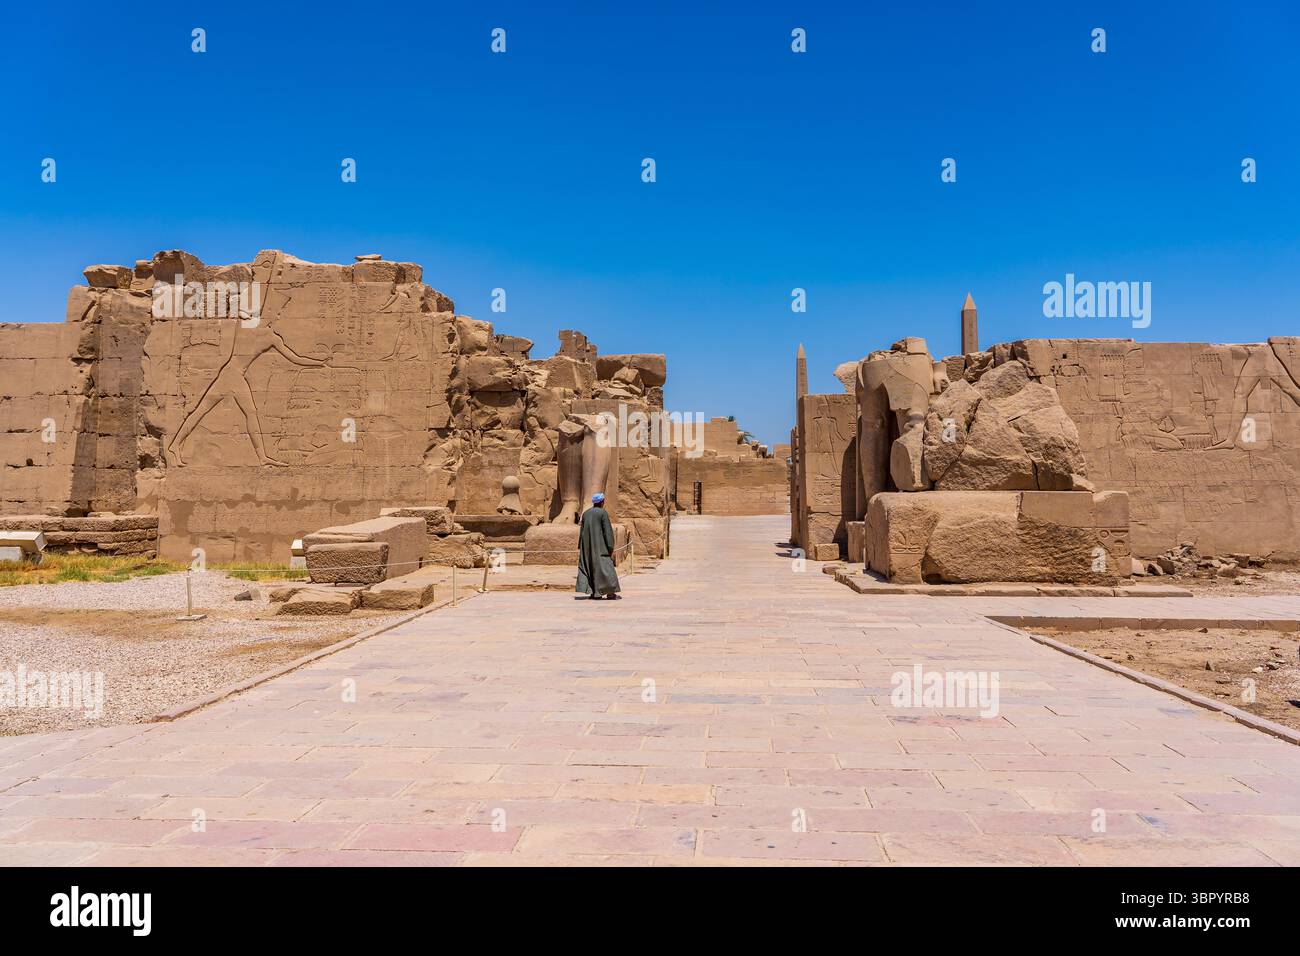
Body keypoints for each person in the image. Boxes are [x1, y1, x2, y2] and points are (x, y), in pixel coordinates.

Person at [576, 492, 621, 600]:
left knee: (590, 568)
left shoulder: (586, 514)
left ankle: (595, 592)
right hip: (601, 547)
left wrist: (581, 547)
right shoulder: (602, 513)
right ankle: (610, 593)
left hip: (587, 548)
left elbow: (581, 532)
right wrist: (610, 547)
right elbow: (607, 532)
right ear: (602, 502)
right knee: (606, 569)